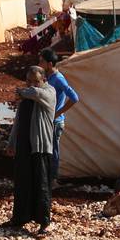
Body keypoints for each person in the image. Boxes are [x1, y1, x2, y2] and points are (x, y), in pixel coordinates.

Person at [7, 66, 56, 236]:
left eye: (36, 81)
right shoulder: (25, 97)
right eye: (29, 81)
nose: (32, 85)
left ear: (44, 80)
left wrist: (22, 91)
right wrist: (11, 143)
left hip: (40, 147)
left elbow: (37, 93)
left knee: (41, 185)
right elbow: (18, 122)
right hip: (24, 147)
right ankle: (20, 218)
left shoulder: (49, 92)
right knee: (23, 183)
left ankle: (44, 223)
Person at [39, 48, 79, 182]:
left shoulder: (58, 79)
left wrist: (57, 113)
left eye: (42, 61)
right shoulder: (48, 77)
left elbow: (74, 98)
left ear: (49, 64)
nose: (40, 64)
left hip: (55, 122)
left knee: (53, 151)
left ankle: (53, 179)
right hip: (48, 120)